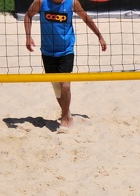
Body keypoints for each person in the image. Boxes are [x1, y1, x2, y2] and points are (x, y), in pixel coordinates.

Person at [24, 0, 107, 131]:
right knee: (57, 87)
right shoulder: (41, 2)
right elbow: (28, 15)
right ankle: (67, 114)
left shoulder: (72, 3)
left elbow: (86, 18)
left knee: (65, 85)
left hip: (66, 51)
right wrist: (28, 37)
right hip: (47, 51)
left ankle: (64, 118)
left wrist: (99, 36)